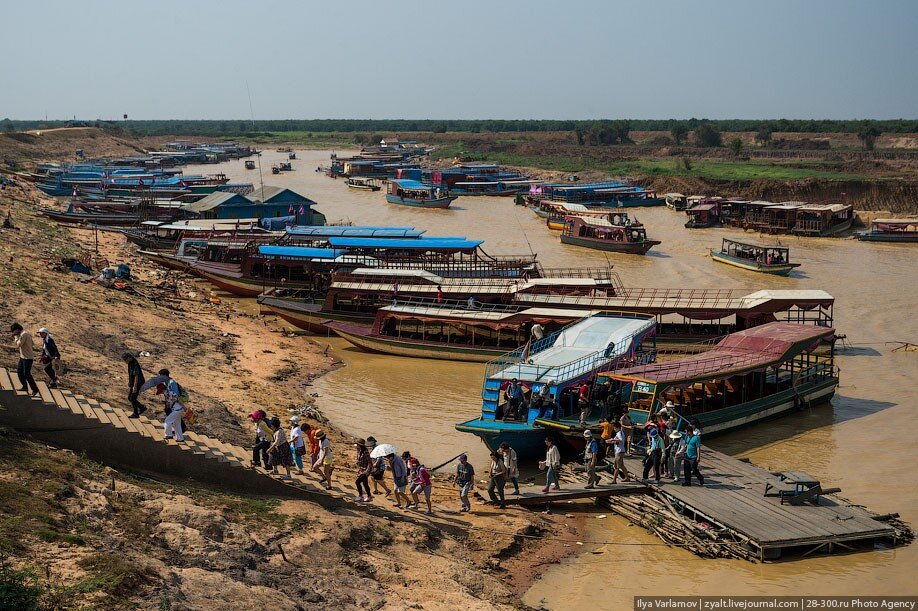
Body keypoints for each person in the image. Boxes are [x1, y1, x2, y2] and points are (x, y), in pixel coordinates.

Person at [11, 323, 38, 396]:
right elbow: (32, 343)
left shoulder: (23, 335)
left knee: (27, 374)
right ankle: (25, 386)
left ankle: (35, 389)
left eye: (14, 331)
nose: (14, 333)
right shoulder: (25, 334)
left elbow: (19, 345)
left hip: (27, 358)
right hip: (23, 357)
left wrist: (16, 337)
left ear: (17, 329)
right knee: (20, 371)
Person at [159, 369, 185, 442]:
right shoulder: (167, 383)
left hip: (177, 408)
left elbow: (176, 396)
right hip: (177, 408)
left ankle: (168, 435)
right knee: (177, 424)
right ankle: (180, 438)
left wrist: (170, 402)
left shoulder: (171, 383)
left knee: (168, 421)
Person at [122, 353, 146, 418]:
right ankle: (141, 407)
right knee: (130, 398)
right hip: (133, 383)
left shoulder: (135, 364)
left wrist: (135, 386)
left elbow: (136, 376)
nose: (125, 362)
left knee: (132, 398)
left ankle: (137, 412)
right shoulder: (130, 363)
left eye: (126, 360)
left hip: (138, 383)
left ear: (129, 358)